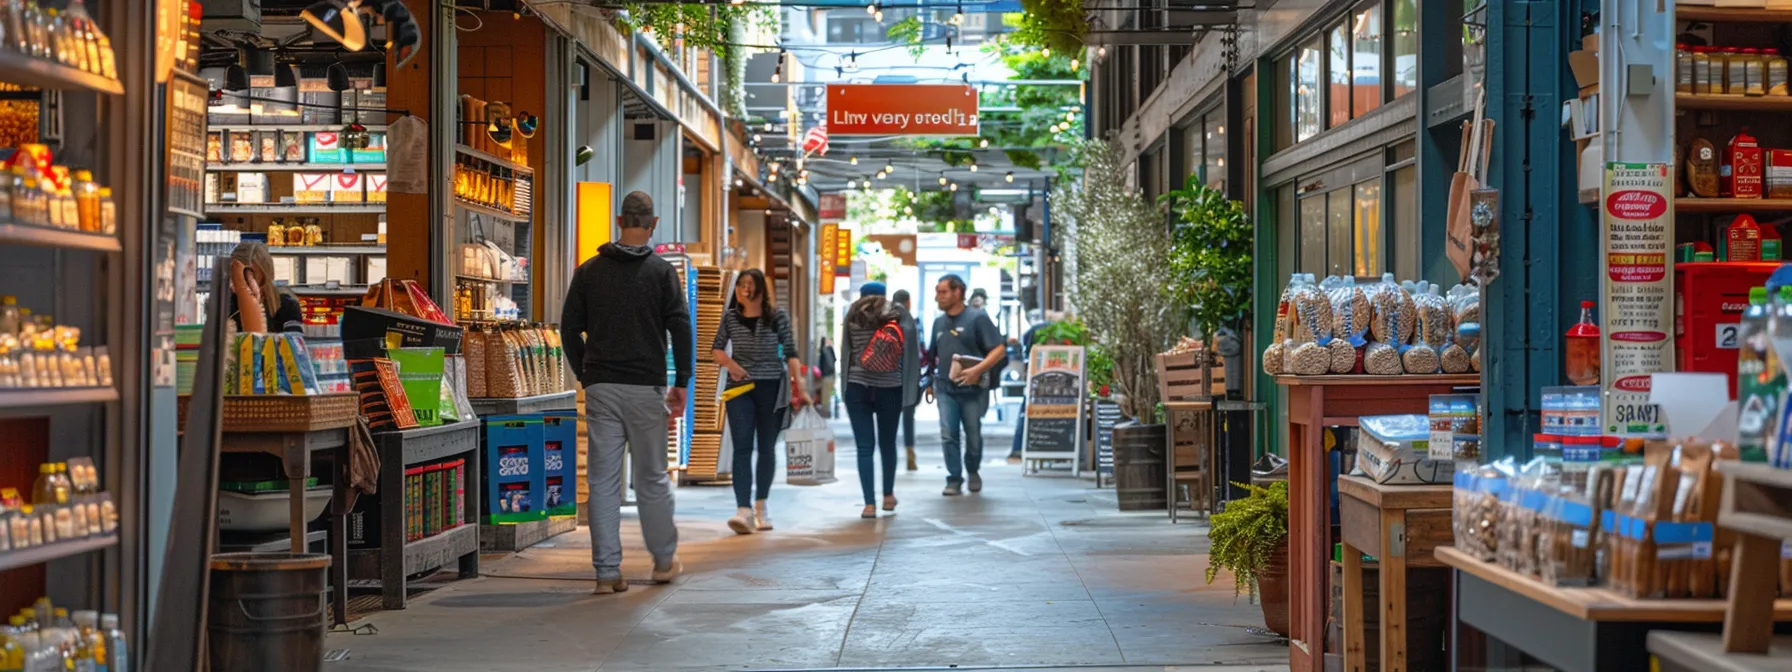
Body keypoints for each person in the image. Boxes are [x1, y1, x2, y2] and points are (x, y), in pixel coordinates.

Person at [558, 190, 691, 595]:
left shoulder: (589, 271)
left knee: (602, 481)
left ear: (619, 222)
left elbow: (568, 329)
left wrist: (587, 374)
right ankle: (664, 561)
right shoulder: (661, 273)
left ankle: (606, 572)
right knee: (651, 478)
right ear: (652, 224)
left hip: (602, 388)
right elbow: (682, 327)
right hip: (645, 386)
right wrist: (682, 381)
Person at [711, 268, 807, 535]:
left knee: (766, 447)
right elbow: (716, 349)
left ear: (761, 289)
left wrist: (801, 389)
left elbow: (791, 353)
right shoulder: (731, 317)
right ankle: (743, 510)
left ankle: (761, 504)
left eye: (750, 285)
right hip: (740, 388)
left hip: (772, 387)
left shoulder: (777, 317)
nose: (744, 289)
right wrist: (732, 366)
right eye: (741, 284)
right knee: (742, 446)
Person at [840, 282, 916, 518]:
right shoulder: (897, 313)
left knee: (864, 447)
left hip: (857, 386)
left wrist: (844, 386)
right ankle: (888, 496)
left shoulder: (852, 314)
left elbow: (846, 351)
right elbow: (909, 350)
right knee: (887, 444)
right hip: (889, 386)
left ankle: (869, 504)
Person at [927, 274, 1006, 495]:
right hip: (945, 388)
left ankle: (973, 470)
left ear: (957, 293)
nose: (937, 297)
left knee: (972, 433)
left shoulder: (977, 318)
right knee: (948, 433)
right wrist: (929, 382)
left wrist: (977, 370)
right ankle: (953, 478)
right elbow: (932, 355)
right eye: (937, 292)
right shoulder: (938, 323)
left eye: (942, 292)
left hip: (973, 390)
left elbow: (998, 349)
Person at [225, 242, 304, 333]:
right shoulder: (227, 305)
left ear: (265, 275)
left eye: (251, 276)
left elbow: (294, 343)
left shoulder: (287, 305)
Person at [1010, 310, 1051, 462]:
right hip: (1037, 383)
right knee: (1026, 411)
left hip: (1035, 382)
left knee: (1026, 411)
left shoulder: (1032, 333)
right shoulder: (1038, 331)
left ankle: (1018, 449)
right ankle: (1019, 449)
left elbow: (1025, 351)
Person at [891, 289, 923, 471]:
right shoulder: (910, 321)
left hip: (888, 378)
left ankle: (890, 454)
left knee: (888, 418)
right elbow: (915, 355)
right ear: (908, 301)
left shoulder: (885, 318)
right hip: (908, 378)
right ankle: (910, 453)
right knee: (908, 418)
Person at [815, 336, 837, 418]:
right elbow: (835, 360)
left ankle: (825, 412)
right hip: (832, 375)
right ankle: (828, 411)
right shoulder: (830, 349)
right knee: (829, 394)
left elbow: (820, 365)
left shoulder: (822, 351)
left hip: (825, 376)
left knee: (825, 395)